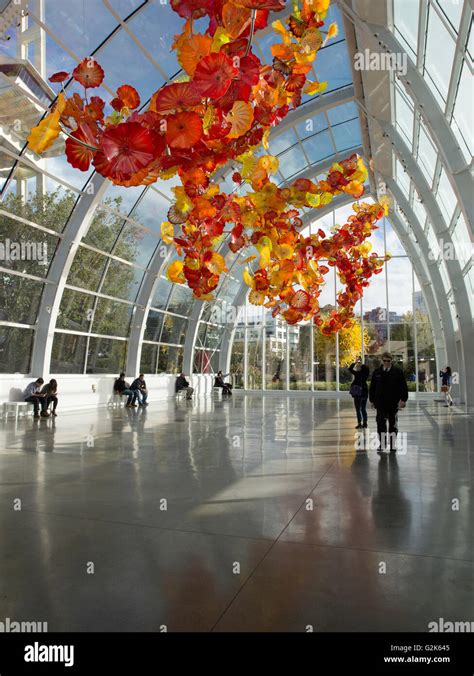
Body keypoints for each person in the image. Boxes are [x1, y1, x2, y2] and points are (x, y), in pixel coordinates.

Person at [369, 352, 408, 453]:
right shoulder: (377, 373)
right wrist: (372, 400)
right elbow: (372, 387)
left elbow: (403, 386)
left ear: (391, 361)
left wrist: (403, 400)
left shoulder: (398, 372)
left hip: (393, 403)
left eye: (388, 361)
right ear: (382, 361)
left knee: (393, 424)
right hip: (380, 403)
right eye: (384, 361)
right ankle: (382, 444)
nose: (386, 363)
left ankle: (392, 444)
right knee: (380, 424)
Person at [349, 357, 369, 429]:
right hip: (365, 393)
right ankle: (365, 423)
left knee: (358, 409)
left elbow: (350, 369)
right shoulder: (366, 375)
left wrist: (355, 362)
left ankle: (359, 423)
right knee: (363, 409)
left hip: (358, 394)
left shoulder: (358, 374)